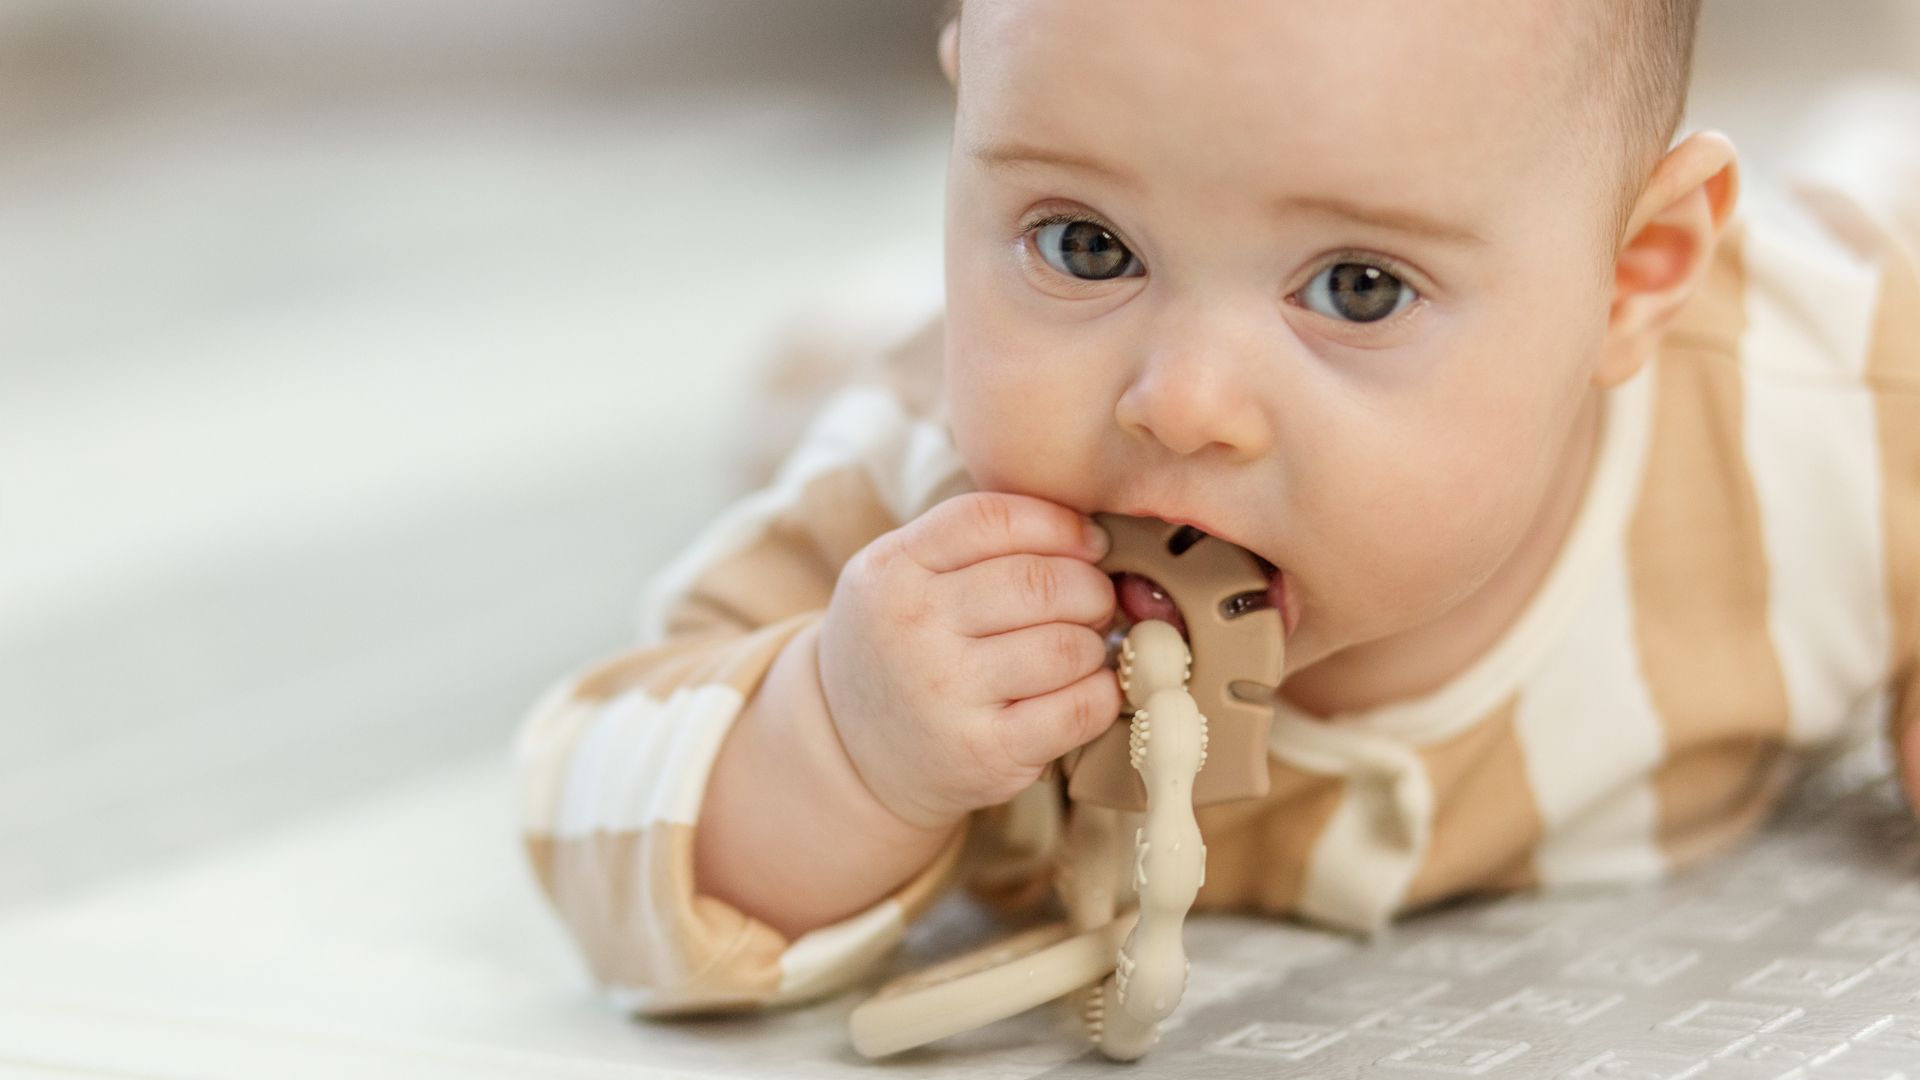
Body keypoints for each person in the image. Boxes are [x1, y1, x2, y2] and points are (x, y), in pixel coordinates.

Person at [514, 0, 1920, 1017]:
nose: (1179, 404)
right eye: (1084, 243)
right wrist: (844, 738)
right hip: (881, 376)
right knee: (824, 382)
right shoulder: (922, 503)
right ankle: (836, 333)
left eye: (1358, 287)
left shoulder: (1823, 414)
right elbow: (592, 796)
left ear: (1634, 278)